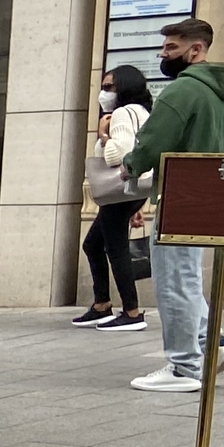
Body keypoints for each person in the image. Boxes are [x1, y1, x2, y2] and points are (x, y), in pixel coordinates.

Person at [124, 17, 224, 394]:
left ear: (197, 50)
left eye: (172, 48)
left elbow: (152, 141)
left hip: (180, 196)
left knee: (174, 281)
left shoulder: (182, 92)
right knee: (188, 277)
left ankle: (184, 366)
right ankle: (216, 343)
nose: (164, 55)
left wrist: (130, 166)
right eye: (164, 48)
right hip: (214, 197)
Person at [76, 65, 154, 330]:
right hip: (130, 192)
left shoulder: (122, 113)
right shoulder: (143, 112)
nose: (103, 93)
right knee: (93, 244)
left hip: (119, 190)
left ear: (124, 88)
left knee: (115, 248)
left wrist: (103, 135)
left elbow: (118, 155)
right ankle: (102, 305)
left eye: (109, 87)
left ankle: (131, 312)